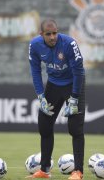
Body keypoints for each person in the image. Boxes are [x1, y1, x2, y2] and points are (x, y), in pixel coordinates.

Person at [28, 19, 85, 180]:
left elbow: (79, 72)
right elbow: (35, 70)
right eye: (48, 34)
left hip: (73, 85)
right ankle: (44, 171)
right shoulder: (35, 45)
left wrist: (74, 98)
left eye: (55, 33)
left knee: (75, 129)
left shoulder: (69, 44)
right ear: (41, 34)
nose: (52, 37)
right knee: (44, 126)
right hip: (53, 85)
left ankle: (78, 172)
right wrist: (40, 96)